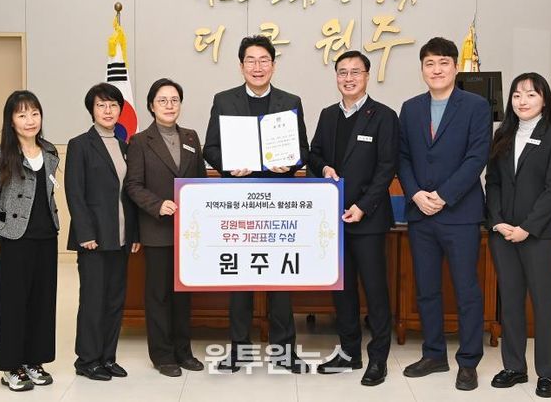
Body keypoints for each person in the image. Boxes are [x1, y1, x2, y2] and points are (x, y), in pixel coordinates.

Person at [203, 35, 309, 373]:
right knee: (240, 279)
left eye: (264, 60)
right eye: (251, 60)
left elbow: (303, 150)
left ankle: (284, 351)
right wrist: (229, 167)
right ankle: (239, 350)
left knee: (281, 278)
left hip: (278, 204)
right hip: (240, 202)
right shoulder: (224, 100)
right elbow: (210, 148)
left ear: (273, 65)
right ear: (241, 66)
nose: (257, 67)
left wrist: (289, 163)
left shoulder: (290, 101)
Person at [398, 37, 491, 390]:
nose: (436, 70)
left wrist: (443, 195)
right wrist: (416, 194)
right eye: (429, 63)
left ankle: (468, 361)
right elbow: (402, 157)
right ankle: (434, 354)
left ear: (455, 67)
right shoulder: (410, 108)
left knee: (466, 290)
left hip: (460, 213)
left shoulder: (476, 106)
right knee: (426, 289)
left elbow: (477, 157)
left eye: (443, 63)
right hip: (421, 213)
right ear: (422, 69)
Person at [309, 50, 399, 386]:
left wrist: (363, 206)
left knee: (375, 290)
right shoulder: (328, 115)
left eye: (355, 72)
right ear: (336, 77)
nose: (348, 78)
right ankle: (349, 352)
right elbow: (314, 154)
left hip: (368, 219)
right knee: (342, 289)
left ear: (367, 76)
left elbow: (387, 167)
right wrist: (323, 168)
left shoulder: (384, 116)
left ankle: (378, 358)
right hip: (333, 219)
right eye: (342, 72)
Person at [486, 73, 551, 398]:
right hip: (504, 234)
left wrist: (527, 228)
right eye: (517, 95)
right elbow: (493, 182)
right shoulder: (502, 136)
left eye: (531, 94)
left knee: (543, 305)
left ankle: (546, 373)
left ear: (544, 101)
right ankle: (514, 367)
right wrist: (497, 221)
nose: (523, 101)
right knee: (510, 302)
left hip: (539, 236)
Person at [124, 78, 206, 377]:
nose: (169, 106)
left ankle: (183, 351)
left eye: (174, 100)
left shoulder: (191, 137)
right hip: (157, 229)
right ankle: (162, 355)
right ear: (151, 106)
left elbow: (200, 181)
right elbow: (133, 185)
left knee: (183, 295)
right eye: (162, 100)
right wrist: (157, 205)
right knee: (158, 295)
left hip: (187, 232)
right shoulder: (139, 141)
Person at [0, 90, 60, 391]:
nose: (30, 120)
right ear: (11, 120)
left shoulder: (49, 151)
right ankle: (10, 366)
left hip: (46, 237)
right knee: (13, 304)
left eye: (34, 113)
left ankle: (33, 361)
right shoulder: (0, 154)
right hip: (16, 239)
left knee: (42, 302)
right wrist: (3, 232)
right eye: (22, 114)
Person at [65, 83, 140, 381]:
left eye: (113, 105)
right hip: (94, 239)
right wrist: (85, 233)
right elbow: (75, 192)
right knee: (93, 301)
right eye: (101, 105)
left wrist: (133, 234)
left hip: (120, 238)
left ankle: (107, 357)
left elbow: (129, 194)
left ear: (121, 109)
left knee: (114, 300)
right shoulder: (80, 144)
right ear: (92, 110)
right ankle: (87, 360)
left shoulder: (125, 146)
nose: (108, 111)